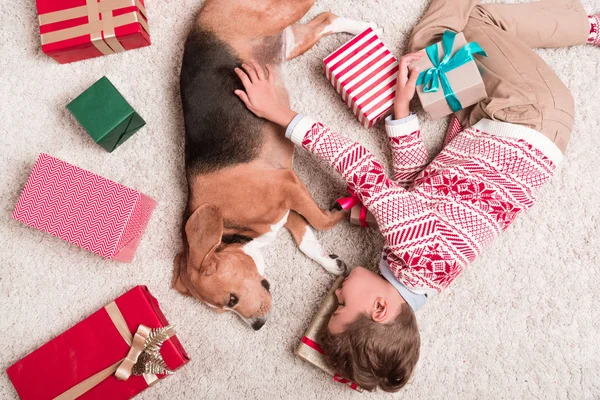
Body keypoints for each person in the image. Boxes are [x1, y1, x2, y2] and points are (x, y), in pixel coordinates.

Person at [232, 0, 600, 392]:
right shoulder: (414, 250)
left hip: (498, 124)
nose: (336, 293)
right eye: (342, 305)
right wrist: (278, 113)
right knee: (440, 36)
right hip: (528, 113)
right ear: (380, 308)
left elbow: (420, 186)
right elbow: (358, 164)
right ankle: (589, 27)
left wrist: (402, 110)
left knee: (434, 72)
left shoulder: (423, 277)